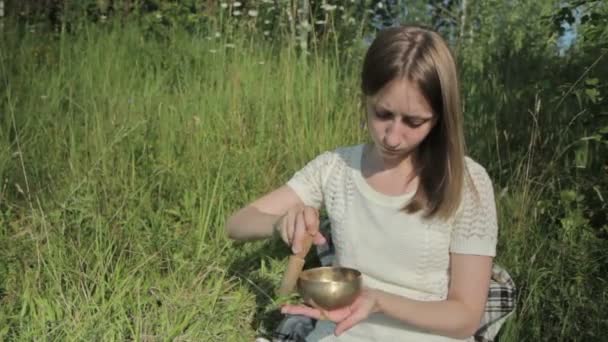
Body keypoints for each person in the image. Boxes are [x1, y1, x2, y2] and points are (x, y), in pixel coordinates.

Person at [226, 24, 500, 341]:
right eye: (383, 113)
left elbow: (465, 317)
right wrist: (280, 224)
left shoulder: (467, 182)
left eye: (414, 121)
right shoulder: (336, 168)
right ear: (365, 97)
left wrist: (379, 302)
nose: (393, 137)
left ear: (440, 117)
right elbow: (237, 224)